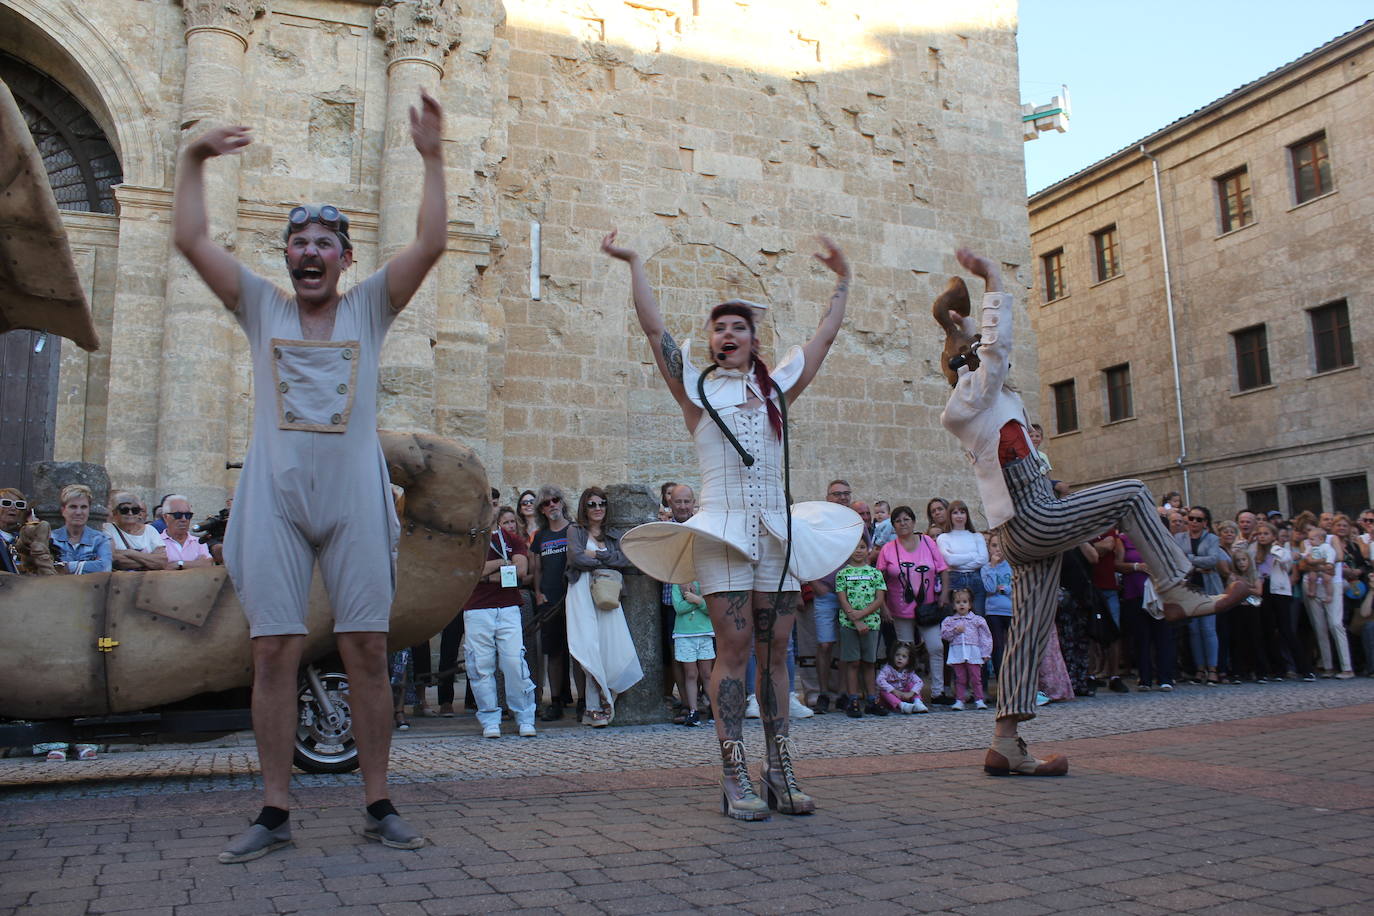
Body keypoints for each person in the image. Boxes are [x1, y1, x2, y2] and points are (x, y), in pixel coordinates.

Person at [173, 90, 447, 861]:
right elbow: (190, 237)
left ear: (346, 259)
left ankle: (379, 799)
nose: (312, 250)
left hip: (356, 497)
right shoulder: (261, 307)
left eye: (328, 241)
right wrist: (193, 156)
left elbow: (429, 243)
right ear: (287, 256)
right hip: (276, 500)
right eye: (300, 240)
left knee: (365, 647)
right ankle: (272, 810)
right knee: (273, 651)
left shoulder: (369, 310)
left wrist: (430, 157)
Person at [932, 248, 1245, 777]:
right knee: (1131, 493)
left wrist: (955, 324)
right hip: (1032, 519)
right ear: (968, 364)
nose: (989, 359)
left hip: (1024, 526)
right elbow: (995, 351)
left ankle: (1006, 741)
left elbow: (992, 360)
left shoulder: (992, 399)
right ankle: (1178, 593)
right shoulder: (968, 401)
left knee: (1030, 628)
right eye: (976, 353)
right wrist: (991, 281)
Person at [603, 229, 860, 820]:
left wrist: (843, 282)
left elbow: (824, 338)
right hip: (721, 532)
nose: (726, 334)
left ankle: (780, 767)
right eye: (719, 327)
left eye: (738, 326)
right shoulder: (694, 389)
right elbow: (655, 333)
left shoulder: (777, 387)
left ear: (754, 339)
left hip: (777, 531)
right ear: (713, 340)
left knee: (777, 650)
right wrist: (636, 260)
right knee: (736, 645)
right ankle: (732, 772)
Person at [565, 487, 641, 727]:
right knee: (587, 645)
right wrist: (606, 555)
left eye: (602, 503)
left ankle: (596, 706)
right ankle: (597, 704)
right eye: (592, 504)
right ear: (584, 508)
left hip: (607, 591)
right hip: (581, 591)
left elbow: (624, 559)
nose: (598, 508)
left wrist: (597, 555)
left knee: (610, 646)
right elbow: (576, 558)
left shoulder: (613, 534)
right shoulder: (575, 530)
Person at [464, 506, 536, 739]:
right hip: (476, 609)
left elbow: (520, 571)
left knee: (514, 662)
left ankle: (525, 717)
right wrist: (499, 565)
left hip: (507, 607)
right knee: (480, 665)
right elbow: (469, 571)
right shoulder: (469, 542)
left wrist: (483, 576)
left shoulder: (512, 539)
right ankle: (489, 719)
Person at [875, 505, 950, 701]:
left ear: (914, 522)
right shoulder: (888, 549)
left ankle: (938, 691)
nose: (903, 523)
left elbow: (942, 567)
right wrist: (883, 607)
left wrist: (944, 594)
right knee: (905, 652)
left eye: (906, 519)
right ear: (893, 526)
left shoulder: (927, 542)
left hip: (928, 607)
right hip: (900, 607)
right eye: (898, 521)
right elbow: (879, 579)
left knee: (935, 647)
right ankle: (909, 692)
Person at [804, 479, 855, 713]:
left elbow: (863, 554)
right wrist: (815, 582)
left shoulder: (856, 523)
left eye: (846, 494)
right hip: (825, 593)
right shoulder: (818, 523)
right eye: (837, 494)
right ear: (828, 498)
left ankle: (844, 692)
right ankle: (823, 692)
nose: (842, 498)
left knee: (846, 645)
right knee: (825, 645)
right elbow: (805, 552)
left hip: (852, 595)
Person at [530, 485, 574, 720]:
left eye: (555, 500)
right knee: (554, 653)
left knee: (578, 652)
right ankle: (555, 700)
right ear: (542, 510)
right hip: (549, 600)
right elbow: (536, 568)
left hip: (573, 600)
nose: (552, 505)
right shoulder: (540, 536)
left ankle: (584, 700)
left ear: (562, 502)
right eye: (546, 503)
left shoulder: (574, 530)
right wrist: (538, 592)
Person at [834, 538, 887, 717]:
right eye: (855, 547)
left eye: (862, 547)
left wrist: (863, 615)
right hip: (849, 624)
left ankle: (872, 699)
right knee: (853, 662)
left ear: (868, 550)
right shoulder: (842, 574)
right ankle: (853, 699)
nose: (859, 551)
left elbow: (879, 599)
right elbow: (842, 598)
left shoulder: (875, 573)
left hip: (871, 623)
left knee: (869, 662)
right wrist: (855, 619)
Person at [1301, 523, 1351, 677]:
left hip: (1332, 584)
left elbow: (1339, 558)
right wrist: (1321, 565)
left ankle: (1347, 667)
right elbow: (1303, 564)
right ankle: (1328, 666)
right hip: (1313, 584)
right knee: (1319, 626)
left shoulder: (1332, 539)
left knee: (1336, 624)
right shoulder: (1306, 543)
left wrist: (1316, 565)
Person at [670, 579, 714, 727]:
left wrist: (696, 599)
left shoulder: (706, 583)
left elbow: (710, 608)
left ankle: (714, 708)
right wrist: (699, 601)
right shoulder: (677, 583)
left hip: (705, 633)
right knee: (690, 674)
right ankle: (693, 710)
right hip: (684, 635)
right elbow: (678, 607)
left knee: (707, 674)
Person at [941, 588, 992, 710]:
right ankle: (960, 700)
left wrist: (986, 652)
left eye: (964, 601)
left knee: (976, 677)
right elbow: (944, 635)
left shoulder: (977, 620)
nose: (961, 604)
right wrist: (955, 630)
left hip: (973, 652)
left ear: (970, 604)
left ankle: (979, 699)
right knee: (960, 678)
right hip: (957, 652)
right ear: (954, 605)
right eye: (958, 602)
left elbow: (985, 637)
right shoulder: (949, 621)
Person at [937, 500, 988, 615]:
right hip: (954, 580)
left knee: (977, 619)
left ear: (967, 515)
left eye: (962, 512)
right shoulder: (943, 537)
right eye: (955, 512)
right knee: (954, 620)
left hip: (976, 579)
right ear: (950, 515)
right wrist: (973, 555)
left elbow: (983, 559)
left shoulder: (977, 536)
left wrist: (957, 561)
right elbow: (949, 560)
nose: (959, 516)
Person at [51, 484, 111, 575]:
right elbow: (44, 568)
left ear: (89, 510)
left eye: (83, 507)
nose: (78, 512)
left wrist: (66, 567)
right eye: (73, 507)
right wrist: (90, 565)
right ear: (63, 510)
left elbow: (105, 567)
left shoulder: (101, 539)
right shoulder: (51, 539)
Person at [103, 492, 167, 570]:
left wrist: (130, 553)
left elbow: (162, 561)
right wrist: (150, 561)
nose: (130, 513)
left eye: (135, 510)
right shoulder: (108, 529)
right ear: (115, 513)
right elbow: (114, 560)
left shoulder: (150, 530)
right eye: (124, 510)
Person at [980, 533, 1014, 679]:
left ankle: (1015, 678)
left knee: (1014, 645)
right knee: (997, 646)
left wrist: (1004, 589)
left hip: (1011, 610)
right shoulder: (986, 568)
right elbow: (990, 588)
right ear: (989, 548)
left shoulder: (1012, 566)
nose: (998, 549)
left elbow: (1014, 586)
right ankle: (1001, 680)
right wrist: (993, 567)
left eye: (1001, 545)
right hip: (993, 611)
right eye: (994, 545)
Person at [0, 488, 56, 575]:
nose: (13, 508)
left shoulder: (26, 537)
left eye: (19, 505)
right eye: (6, 503)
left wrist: (35, 534)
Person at [159, 496, 214, 571]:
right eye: (178, 515)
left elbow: (207, 564)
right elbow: (160, 567)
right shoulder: (157, 542)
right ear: (165, 517)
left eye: (188, 515)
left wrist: (179, 564)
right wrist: (196, 564)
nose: (184, 519)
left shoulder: (199, 542)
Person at [876, 642, 927, 713]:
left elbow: (919, 682)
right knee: (883, 691)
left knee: (912, 685)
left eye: (904, 656)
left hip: (905, 696)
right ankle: (902, 706)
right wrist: (894, 691)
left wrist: (911, 693)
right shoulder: (888, 669)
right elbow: (879, 680)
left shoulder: (909, 671)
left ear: (909, 660)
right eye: (897, 655)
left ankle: (917, 702)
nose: (900, 658)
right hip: (891, 698)